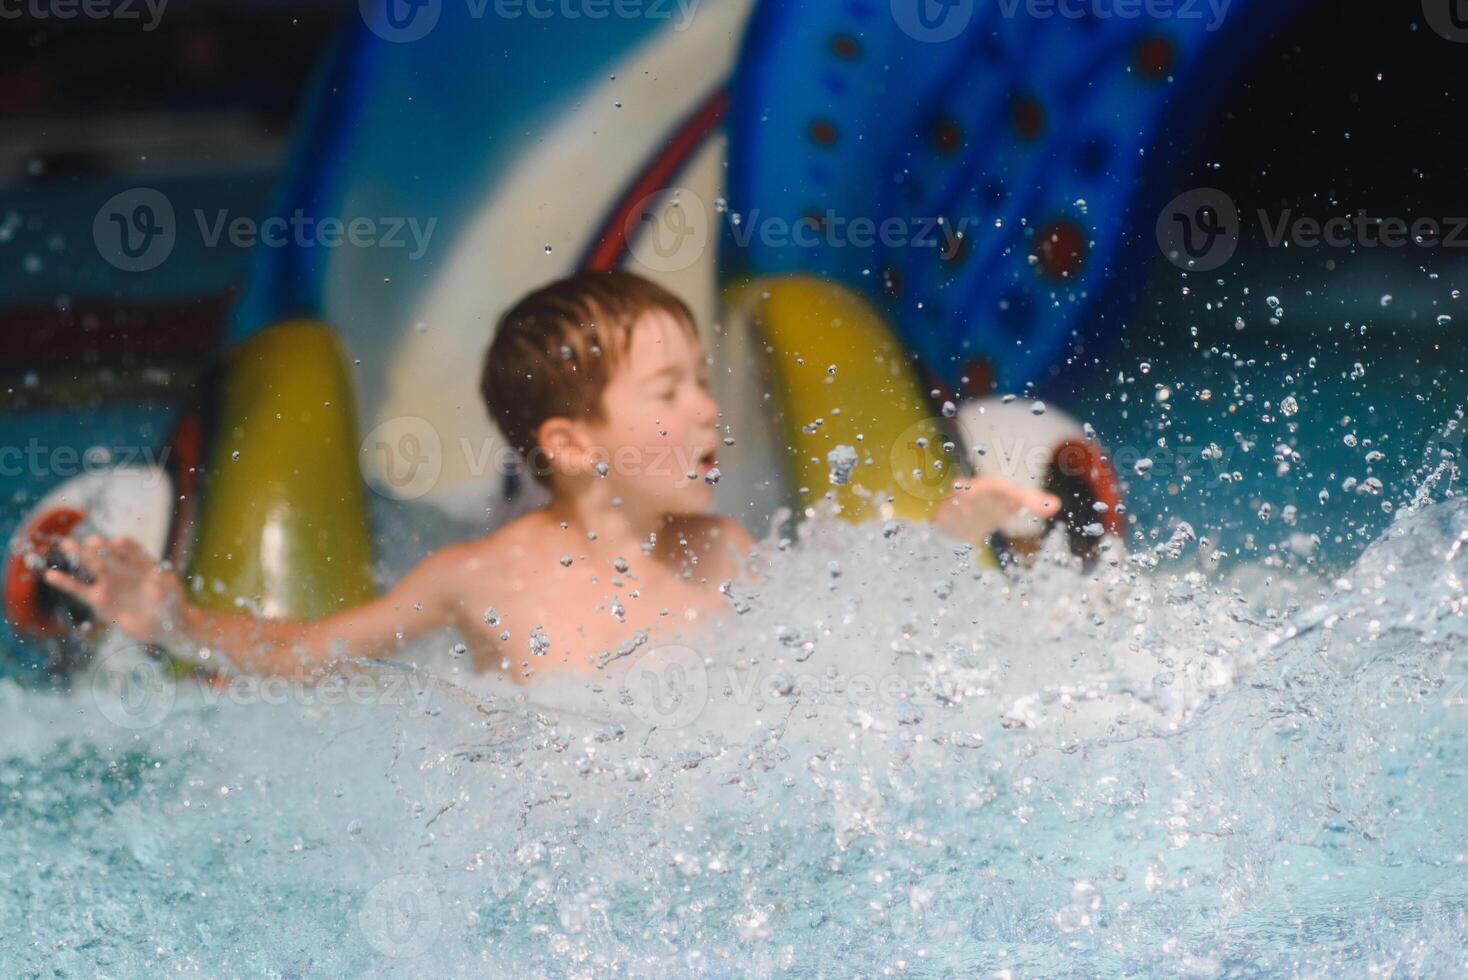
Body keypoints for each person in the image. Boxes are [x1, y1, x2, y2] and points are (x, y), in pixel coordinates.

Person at [44, 271, 1058, 683]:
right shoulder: (480, 577)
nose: (707, 409)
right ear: (573, 445)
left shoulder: (721, 550)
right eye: (668, 392)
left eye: (702, 383)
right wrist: (169, 618)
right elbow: (309, 652)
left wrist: (946, 534)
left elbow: (850, 647)